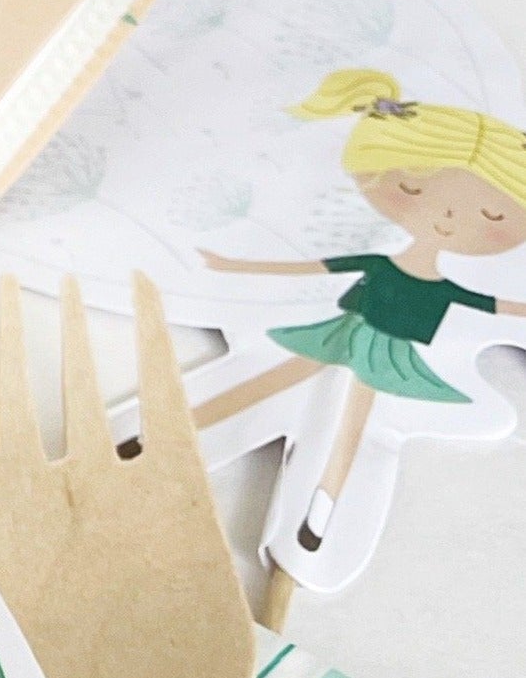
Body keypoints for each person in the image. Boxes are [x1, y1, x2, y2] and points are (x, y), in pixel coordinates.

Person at [191, 71, 526, 550]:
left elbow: (495, 305)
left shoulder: (443, 286)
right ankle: (181, 431)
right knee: (277, 383)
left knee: (354, 424)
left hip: (390, 354)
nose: (449, 219)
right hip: (345, 331)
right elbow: (314, 268)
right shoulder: (378, 262)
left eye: (493, 216)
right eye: (412, 190)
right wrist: (233, 265)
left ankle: (321, 513)